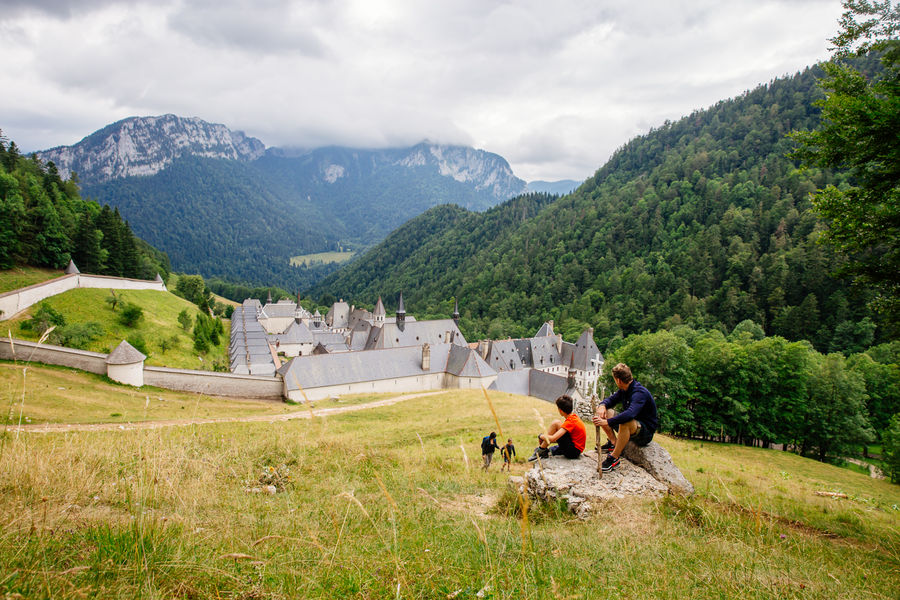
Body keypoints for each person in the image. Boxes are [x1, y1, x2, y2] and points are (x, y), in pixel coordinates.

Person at [593, 363, 658, 472]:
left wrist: (606, 422)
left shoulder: (639, 393)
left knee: (625, 421)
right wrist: (602, 406)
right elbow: (611, 400)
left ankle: (614, 458)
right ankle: (614, 443)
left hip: (644, 433)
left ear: (618, 380)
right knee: (605, 412)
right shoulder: (625, 389)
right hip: (632, 427)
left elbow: (630, 414)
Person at [528, 395, 586, 461]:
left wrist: (541, 436)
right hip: (575, 449)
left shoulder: (570, 422)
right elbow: (558, 438)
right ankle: (543, 450)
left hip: (573, 452)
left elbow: (553, 439)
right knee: (550, 451)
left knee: (556, 423)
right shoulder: (574, 417)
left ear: (560, 410)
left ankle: (540, 450)